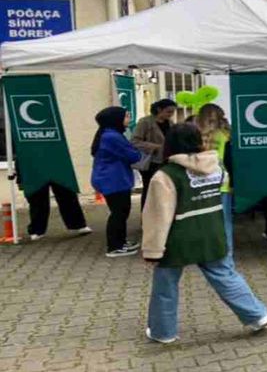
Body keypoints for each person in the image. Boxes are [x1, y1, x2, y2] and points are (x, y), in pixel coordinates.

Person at [142, 123, 267, 344]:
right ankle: (258, 315)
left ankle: (163, 332)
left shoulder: (165, 176)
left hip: (178, 238)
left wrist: (153, 249)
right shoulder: (217, 168)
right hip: (213, 232)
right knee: (225, 275)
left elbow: (158, 216)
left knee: (165, 284)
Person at [91, 106, 143, 257]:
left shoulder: (109, 134)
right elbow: (133, 156)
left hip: (114, 178)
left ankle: (120, 241)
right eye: (126, 116)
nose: (129, 119)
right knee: (118, 213)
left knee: (122, 211)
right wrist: (137, 152)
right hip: (112, 180)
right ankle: (114, 246)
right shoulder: (112, 137)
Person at [195, 104, 235, 258]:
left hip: (200, 183)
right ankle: (227, 253)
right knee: (224, 221)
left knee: (204, 219)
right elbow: (231, 161)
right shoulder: (226, 135)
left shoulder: (196, 136)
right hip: (222, 182)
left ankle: (205, 251)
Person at [19, 170, 91, 241]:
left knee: (65, 191)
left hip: (56, 162)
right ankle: (37, 230)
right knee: (38, 196)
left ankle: (78, 224)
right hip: (32, 164)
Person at [132, 99, 177, 210]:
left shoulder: (170, 123)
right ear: (159, 109)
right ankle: (146, 216)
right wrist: (155, 147)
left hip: (167, 161)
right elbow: (135, 142)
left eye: (172, 112)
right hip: (151, 162)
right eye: (168, 112)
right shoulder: (145, 122)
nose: (170, 115)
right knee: (150, 190)